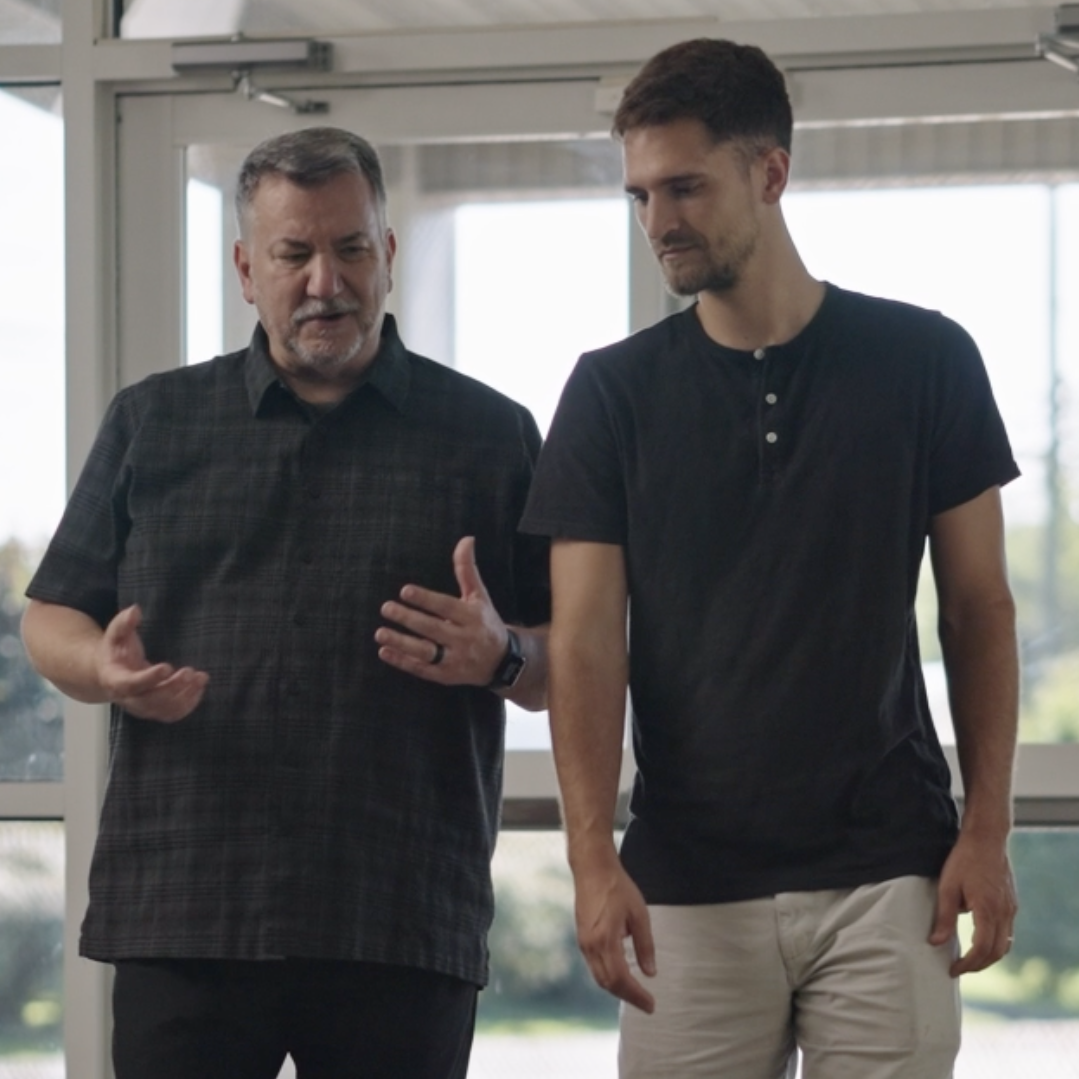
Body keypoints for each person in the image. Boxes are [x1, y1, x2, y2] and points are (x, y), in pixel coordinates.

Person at [519, 37, 1019, 1079]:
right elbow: (583, 644)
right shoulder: (610, 395)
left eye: (685, 187)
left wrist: (985, 828)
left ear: (769, 172)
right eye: (640, 194)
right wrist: (589, 857)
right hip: (683, 888)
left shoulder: (925, 360)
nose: (659, 220)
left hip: (889, 874)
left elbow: (977, 611)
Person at [22, 126, 550, 1079]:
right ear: (244, 267)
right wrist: (101, 668)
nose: (324, 282)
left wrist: (503, 653)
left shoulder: (490, 435)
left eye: (350, 249)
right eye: (294, 253)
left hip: (398, 912)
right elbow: (50, 616)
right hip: (187, 908)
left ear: (387, 255)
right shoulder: (153, 421)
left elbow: (572, 662)